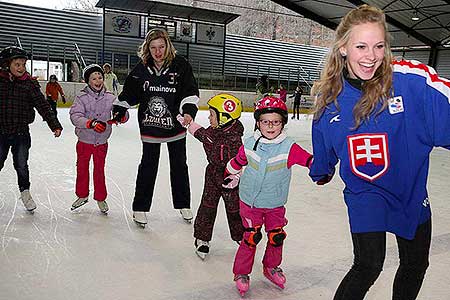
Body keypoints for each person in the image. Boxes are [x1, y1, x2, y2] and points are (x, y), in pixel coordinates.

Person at [309, 5, 450, 300]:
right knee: (368, 265)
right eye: (361, 46)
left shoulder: (411, 81)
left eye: (379, 46)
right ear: (343, 48)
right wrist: (321, 170)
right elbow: (322, 144)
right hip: (365, 192)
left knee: (416, 263)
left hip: (409, 189)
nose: (371, 56)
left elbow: (444, 104)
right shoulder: (330, 102)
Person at [224, 96, 313, 296]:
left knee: (276, 237)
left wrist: (320, 168)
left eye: (276, 121)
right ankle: (241, 272)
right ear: (258, 123)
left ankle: (271, 267)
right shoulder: (249, 143)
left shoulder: (289, 147)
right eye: (265, 121)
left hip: (275, 203)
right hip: (250, 202)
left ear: (282, 123)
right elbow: (238, 161)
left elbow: (308, 160)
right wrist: (229, 172)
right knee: (250, 238)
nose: (270, 126)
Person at [112, 28, 199, 227]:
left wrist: (188, 111)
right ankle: (140, 207)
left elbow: (190, 91)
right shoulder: (142, 69)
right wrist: (120, 109)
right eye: (153, 48)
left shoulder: (181, 65)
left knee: (179, 166)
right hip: (150, 126)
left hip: (175, 126)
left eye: (161, 47)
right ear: (147, 49)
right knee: (148, 166)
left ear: (167, 46)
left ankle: (183, 204)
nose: (158, 52)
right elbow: (129, 94)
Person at [177, 93, 244, 260]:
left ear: (224, 117)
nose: (209, 117)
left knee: (235, 209)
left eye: (212, 114)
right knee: (207, 206)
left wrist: (237, 176)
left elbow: (244, 160)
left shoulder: (236, 140)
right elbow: (200, 133)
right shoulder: (212, 132)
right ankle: (202, 238)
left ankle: (241, 237)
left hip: (230, 178)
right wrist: (188, 123)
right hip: (213, 175)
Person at [0, 46, 62, 211]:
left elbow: (42, 105)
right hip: (1, 132)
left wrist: (54, 124)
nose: (21, 68)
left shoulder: (30, 84)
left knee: (21, 164)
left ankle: (25, 192)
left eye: (23, 64)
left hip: (21, 132)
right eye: (17, 65)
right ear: (6, 65)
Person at [69, 64, 128, 214]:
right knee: (82, 169)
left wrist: (121, 116)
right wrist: (90, 123)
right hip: (84, 141)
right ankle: (82, 195)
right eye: (93, 78)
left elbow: (123, 115)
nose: (98, 80)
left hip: (101, 142)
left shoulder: (110, 98)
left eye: (100, 77)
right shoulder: (81, 97)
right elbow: (75, 116)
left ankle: (101, 198)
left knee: (99, 170)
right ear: (87, 81)